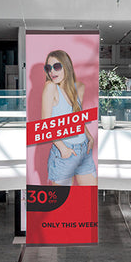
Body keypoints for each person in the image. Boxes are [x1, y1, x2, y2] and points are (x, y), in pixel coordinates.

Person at [41, 50, 96, 186]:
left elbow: (77, 120)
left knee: (89, 201)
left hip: (84, 151)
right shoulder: (51, 87)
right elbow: (45, 125)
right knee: (61, 205)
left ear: (67, 66)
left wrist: (89, 137)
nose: (52, 72)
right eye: (48, 68)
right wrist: (63, 148)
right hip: (64, 152)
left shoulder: (76, 89)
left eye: (57, 66)